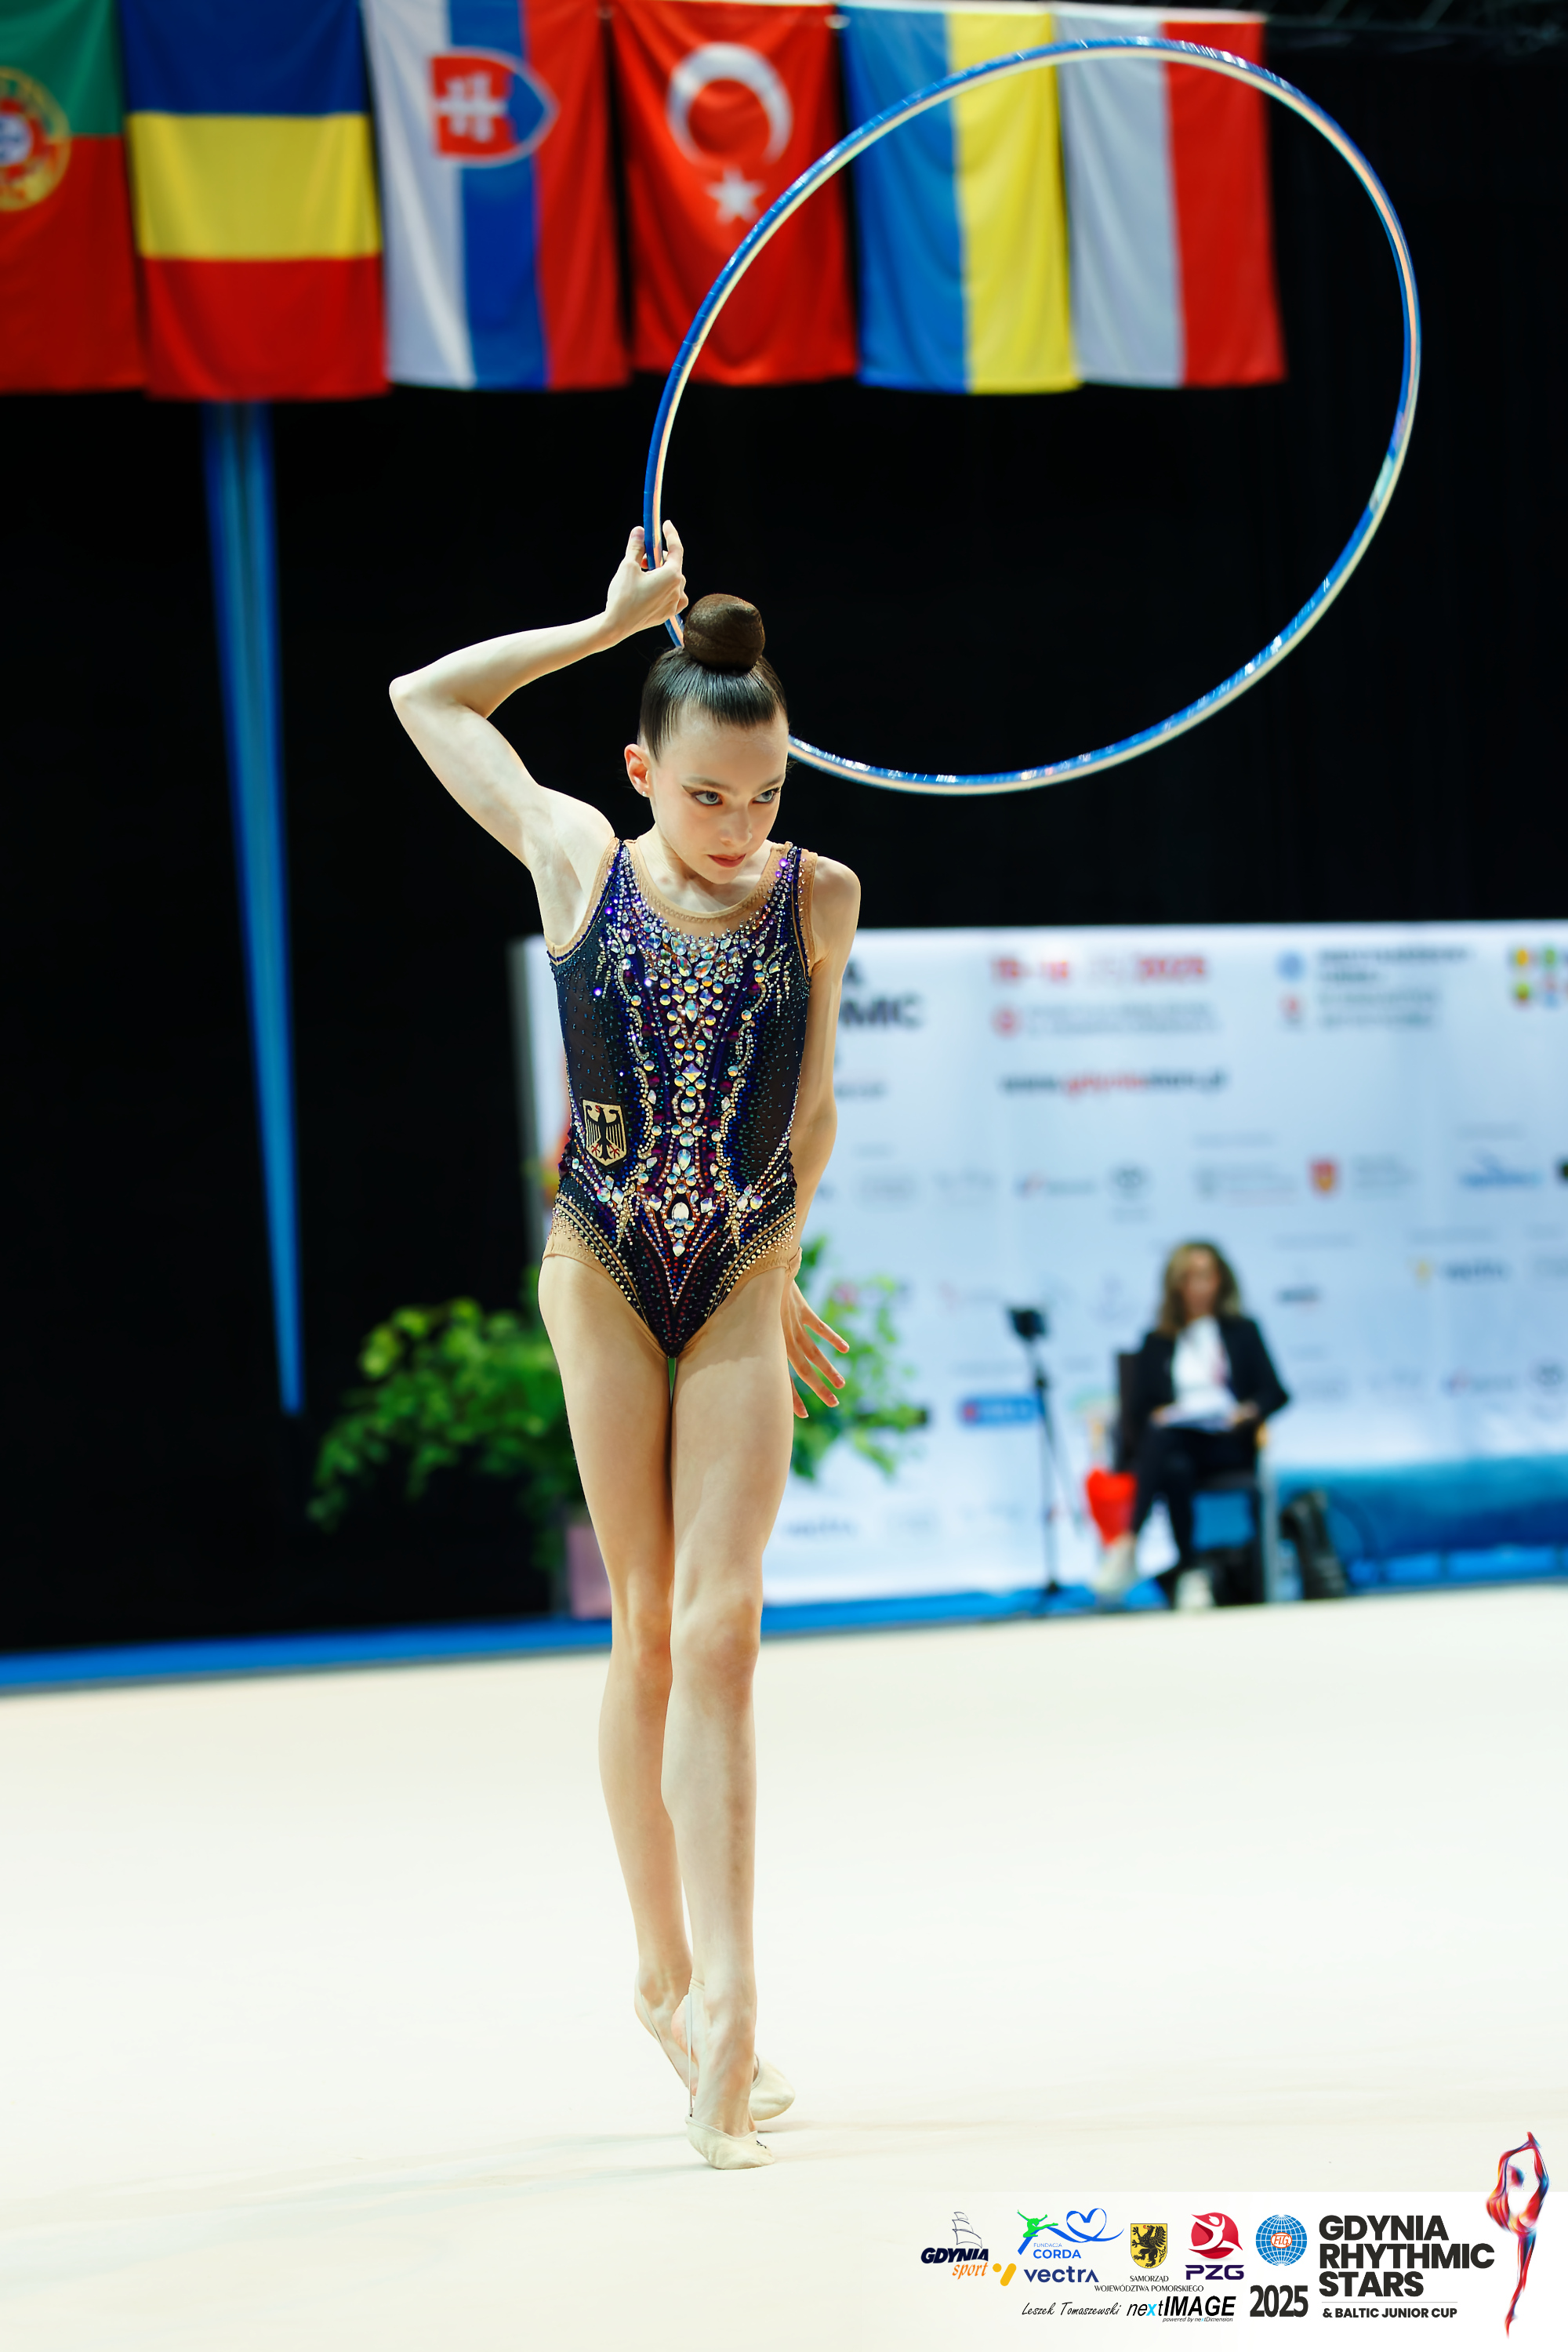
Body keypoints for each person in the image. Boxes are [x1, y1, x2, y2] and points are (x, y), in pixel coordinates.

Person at [389, 522, 860, 2170]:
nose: (740, 829)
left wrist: (779, 1263)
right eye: (708, 795)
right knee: (648, 1626)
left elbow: (809, 1106)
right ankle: (658, 1973)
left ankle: (731, 2004)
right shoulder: (579, 858)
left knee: (725, 1634)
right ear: (642, 771)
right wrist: (605, 627)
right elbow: (425, 698)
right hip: (598, 1261)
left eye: (766, 795)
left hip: (735, 1268)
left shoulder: (818, 896)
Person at [1100, 1240, 1288, 1599]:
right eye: (1190, 1277)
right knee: (1173, 1460)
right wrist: (1162, 1414)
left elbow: (1275, 1393)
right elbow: (1138, 1410)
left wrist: (1246, 1412)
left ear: (1221, 1280)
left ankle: (1130, 1543)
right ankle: (1190, 1574)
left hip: (1227, 1442)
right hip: (1177, 1445)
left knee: (1165, 1446)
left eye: (1206, 1276)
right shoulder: (1157, 1341)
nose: (1199, 1286)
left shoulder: (1242, 1332)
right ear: (1176, 1285)